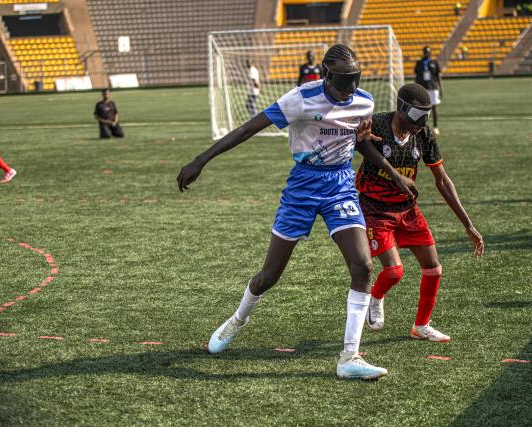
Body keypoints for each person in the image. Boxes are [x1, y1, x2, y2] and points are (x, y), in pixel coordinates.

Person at [177, 44, 414, 380]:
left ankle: (350, 357)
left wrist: (393, 174)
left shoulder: (364, 101)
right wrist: (201, 160)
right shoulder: (300, 98)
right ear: (327, 74)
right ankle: (237, 320)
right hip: (303, 187)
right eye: (344, 80)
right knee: (269, 276)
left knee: (362, 265)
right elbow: (248, 129)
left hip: (341, 185)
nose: (350, 89)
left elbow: (358, 141)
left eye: (355, 80)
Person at [354, 83, 484, 342]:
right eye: (416, 115)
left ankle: (421, 326)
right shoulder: (377, 124)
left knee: (433, 268)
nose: (421, 122)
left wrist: (468, 225)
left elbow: (443, 181)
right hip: (374, 207)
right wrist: (388, 168)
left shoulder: (423, 135)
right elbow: (359, 145)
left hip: (407, 208)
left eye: (426, 115)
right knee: (394, 271)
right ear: (401, 107)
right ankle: (376, 297)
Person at [414, 47, 442, 136]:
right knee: (420, 107)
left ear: (431, 53)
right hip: (422, 87)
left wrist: (441, 88)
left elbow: (438, 76)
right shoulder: (419, 63)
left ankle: (435, 126)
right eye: (425, 52)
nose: (427, 54)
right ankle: (419, 127)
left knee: (434, 107)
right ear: (423, 52)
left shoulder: (434, 62)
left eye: (428, 52)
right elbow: (417, 76)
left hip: (433, 87)